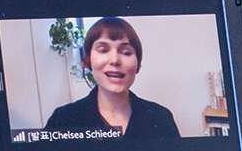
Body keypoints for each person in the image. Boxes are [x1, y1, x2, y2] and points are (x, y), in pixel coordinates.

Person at [44, 17, 180, 139]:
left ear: (137, 64)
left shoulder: (160, 118)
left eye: (126, 52)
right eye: (103, 50)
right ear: (87, 61)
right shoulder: (63, 120)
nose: (115, 60)